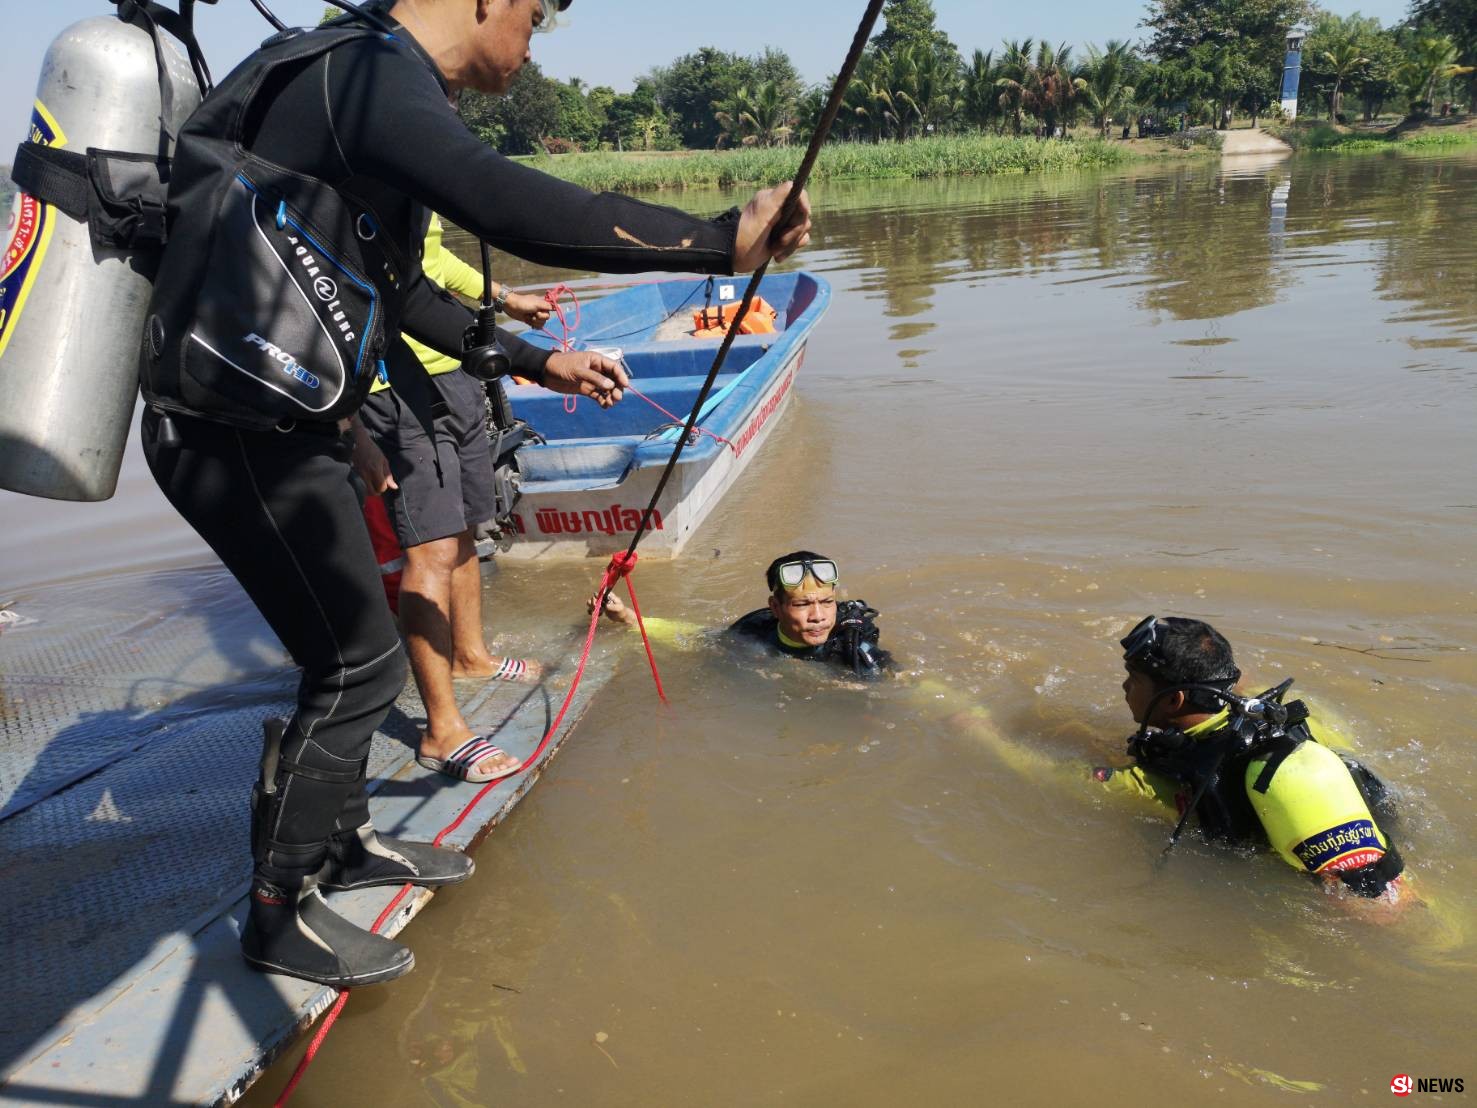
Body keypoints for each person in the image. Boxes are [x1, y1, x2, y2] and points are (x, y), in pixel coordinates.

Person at [139, 0, 812, 988]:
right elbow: (500, 200)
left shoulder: (370, 80)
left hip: (286, 421)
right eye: (537, 15)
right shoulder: (364, 74)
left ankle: (342, 844)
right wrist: (718, 239)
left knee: (356, 647)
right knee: (358, 664)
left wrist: (540, 361)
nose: (536, 40)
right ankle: (278, 911)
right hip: (226, 431)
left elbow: (403, 290)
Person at [356, 211, 552, 786]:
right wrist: (354, 430)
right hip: (392, 383)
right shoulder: (356, 178)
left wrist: (503, 297)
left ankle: (472, 657)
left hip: (454, 363)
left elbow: (429, 262)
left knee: (467, 525)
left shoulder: (419, 186)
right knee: (429, 551)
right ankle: (441, 729)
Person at [1101, 617, 1406, 901]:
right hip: (1385, 814)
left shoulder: (1159, 780)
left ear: (1173, 699)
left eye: (1133, 678)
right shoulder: (1295, 715)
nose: (1125, 686)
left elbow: (1380, 905)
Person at [596, 551, 893, 680]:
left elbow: (905, 683)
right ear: (774, 608)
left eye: (827, 602)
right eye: (802, 605)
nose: (819, 616)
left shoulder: (851, 648)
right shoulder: (754, 629)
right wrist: (627, 618)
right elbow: (695, 638)